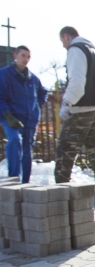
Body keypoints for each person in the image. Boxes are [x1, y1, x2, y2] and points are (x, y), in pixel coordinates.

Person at [55, 26, 95, 200]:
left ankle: (59, 194)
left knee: (66, 149)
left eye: (62, 41)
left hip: (82, 107)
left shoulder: (75, 49)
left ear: (66, 36)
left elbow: (77, 80)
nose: (63, 45)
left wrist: (67, 103)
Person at [0, 46, 47, 183]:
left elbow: (43, 93)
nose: (26, 59)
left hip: (30, 120)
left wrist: (38, 106)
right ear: (15, 56)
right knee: (14, 140)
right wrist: (8, 116)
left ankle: (25, 184)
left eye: (28, 57)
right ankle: (14, 179)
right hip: (11, 118)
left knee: (27, 151)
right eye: (23, 56)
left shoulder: (33, 79)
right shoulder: (4, 75)